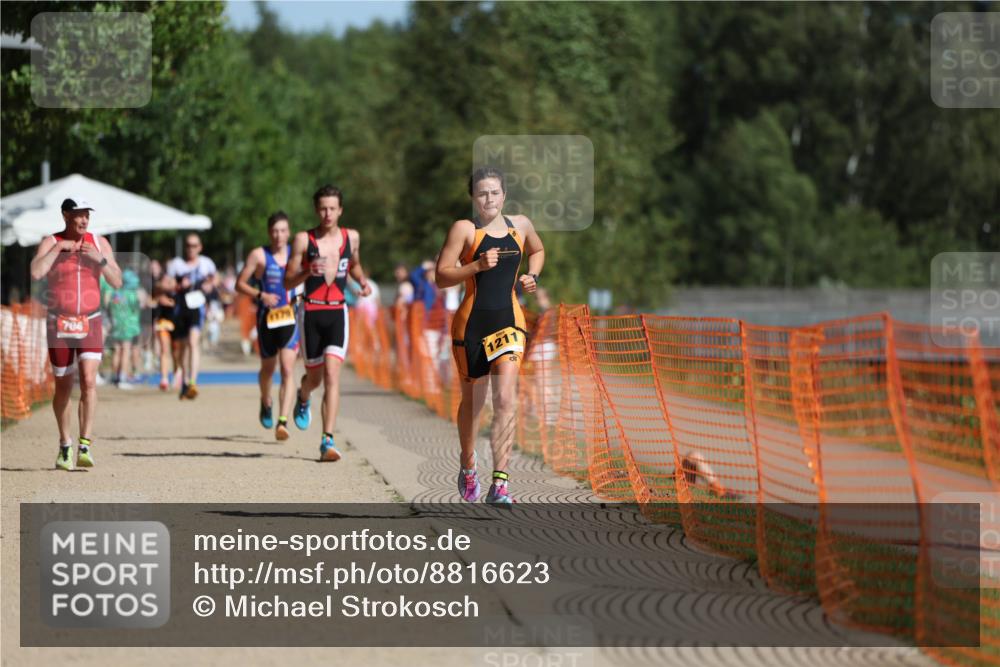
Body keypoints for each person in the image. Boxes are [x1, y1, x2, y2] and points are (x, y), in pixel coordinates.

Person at [435, 167, 544, 506]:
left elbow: (538, 251)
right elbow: (441, 276)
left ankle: (501, 483)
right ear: (473, 198)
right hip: (471, 326)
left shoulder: (521, 226)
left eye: (494, 192)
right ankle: (469, 467)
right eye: (482, 193)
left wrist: (532, 276)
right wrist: (476, 267)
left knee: (506, 400)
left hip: (509, 323)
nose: (488, 199)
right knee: (474, 404)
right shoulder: (465, 230)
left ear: (504, 195)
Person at [30, 197, 123, 470]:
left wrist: (99, 259)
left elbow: (116, 281)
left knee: (89, 381)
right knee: (63, 387)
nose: (84, 220)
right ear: (66, 216)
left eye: (87, 215)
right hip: (59, 323)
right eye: (79, 215)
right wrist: (59, 248)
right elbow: (36, 272)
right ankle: (64, 443)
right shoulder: (51, 241)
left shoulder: (100, 242)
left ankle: (85, 444)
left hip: (91, 321)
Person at [285, 185, 371, 461]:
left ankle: (327, 441)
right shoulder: (303, 240)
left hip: (337, 311)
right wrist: (307, 271)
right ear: (316, 210)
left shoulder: (351, 237)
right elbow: (287, 281)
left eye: (332, 208)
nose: (327, 213)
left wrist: (362, 281)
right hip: (310, 312)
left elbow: (354, 264)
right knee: (315, 378)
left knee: (333, 376)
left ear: (340, 210)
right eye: (322, 208)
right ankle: (302, 394)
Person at [236, 211, 302, 442]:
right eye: (274, 231)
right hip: (267, 319)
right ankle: (266, 401)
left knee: (287, 369)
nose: (279, 235)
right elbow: (239, 284)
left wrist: (301, 298)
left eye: (283, 231)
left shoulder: (298, 255)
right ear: (269, 232)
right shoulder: (259, 255)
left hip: (290, 318)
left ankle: (282, 422)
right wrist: (260, 294)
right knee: (268, 370)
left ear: (289, 232)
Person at [166, 233, 217, 400]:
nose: (191, 248)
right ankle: (185, 380)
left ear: (200, 247)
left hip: (197, 307)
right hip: (180, 309)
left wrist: (210, 285)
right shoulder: (176, 265)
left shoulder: (206, 263)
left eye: (194, 245)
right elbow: (166, 284)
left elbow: (216, 278)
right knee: (180, 348)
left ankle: (193, 381)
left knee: (193, 342)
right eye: (188, 245)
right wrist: (179, 285)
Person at [106, 268, 143, 389]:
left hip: (116, 325)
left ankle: (115, 376)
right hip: (128, 326)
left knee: (117, 351)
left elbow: (109, 307)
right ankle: (122, 378)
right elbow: (139, 306)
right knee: (126, 351)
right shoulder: (132, 294)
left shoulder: (115, 293)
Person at [152, 273, 179, 391]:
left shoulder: (179, 294)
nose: (168, 283)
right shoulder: (157, 293)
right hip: (162, 324)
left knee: (176, 352)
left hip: (177, 326)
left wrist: (171, 303)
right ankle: (164, 378)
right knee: (164, 350)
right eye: (165, 281)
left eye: (170, 281)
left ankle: (177, 374)